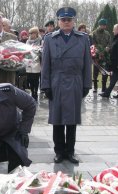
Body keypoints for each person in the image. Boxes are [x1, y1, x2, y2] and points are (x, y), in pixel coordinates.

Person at [41, 7, 91, 164]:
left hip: (75, 82)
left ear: (74, 21)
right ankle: (59, 152)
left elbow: (87, 63)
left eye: (69, 19)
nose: (66, 22)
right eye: (63, 20)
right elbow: (46, 64)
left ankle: (70, 151)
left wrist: (87, 85)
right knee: (57, 120)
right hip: (56, 83)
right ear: (59, 21)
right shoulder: (50, 39)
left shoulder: (83, 38)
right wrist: (45, 85)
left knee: (71, 120)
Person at [99, 24, 118, 98]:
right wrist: (110, 50)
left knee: (114, 78)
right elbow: (115, 49)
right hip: (117, 62)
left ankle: (107, 93)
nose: (113, 31)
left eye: (114, 29)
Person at [91, 18, 112, 93]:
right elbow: (93, 43)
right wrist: (97, 51)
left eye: (105, 25)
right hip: (97, 55)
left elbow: (110, 43)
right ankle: (95, 87)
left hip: (105, 56)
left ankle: (103, 87)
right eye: (103, 25)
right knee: (95, 72)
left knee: (105, 72)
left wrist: (108, 48)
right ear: (99, 25)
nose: (104, 27)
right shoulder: (94, 33)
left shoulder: (107, 33)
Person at [26, 26, 42, 101]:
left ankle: (35, 91)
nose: (31, 35)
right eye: (30, 33)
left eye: (33, 33)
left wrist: (38, 52)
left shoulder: (40, 41)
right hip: (29, 63)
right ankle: (32, 91)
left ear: (36, 33)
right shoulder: (27, 42)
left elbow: (42, 51)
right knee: (30, 78)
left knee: (36, 78)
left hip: (37, 63)